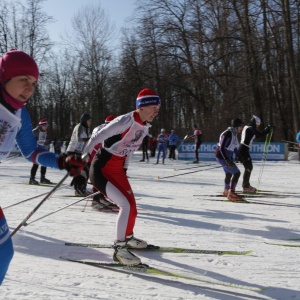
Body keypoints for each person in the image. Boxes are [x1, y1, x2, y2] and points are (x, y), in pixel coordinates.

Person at [0, 49, 84, 285]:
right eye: (23, 80)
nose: (30, 88)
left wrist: (62, 161)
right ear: (4, 77)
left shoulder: (20, 113)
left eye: (34, 82)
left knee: (4, 254)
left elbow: (30, 151)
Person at [82, 88, 161, 265]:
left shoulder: (144, 125)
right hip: (102, 169)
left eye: (158, 109)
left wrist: (124, 169)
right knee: (124, 205)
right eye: (154, 108)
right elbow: (98, 135)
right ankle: (119, 249)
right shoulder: (126, 120)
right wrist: (83, 156)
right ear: (142, 106)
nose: (156, 112)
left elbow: (129, 151)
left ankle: (128, 237)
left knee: (132, 205)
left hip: (117, 169)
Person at [237, 115, 274, 193]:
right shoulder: (250, 128)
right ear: (254, 123)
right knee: (249, 167)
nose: (257, 126)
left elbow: (257, 135)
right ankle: (246, 186)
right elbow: (259, 135)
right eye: (257, 124)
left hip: (244, 150)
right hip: (243, 150)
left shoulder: (249, 128)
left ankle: (246, 185)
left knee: (249, 167)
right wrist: (267, 130)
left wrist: (267, 130)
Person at [89, 115, 118, 209]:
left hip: (105, 156)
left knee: (105, 177)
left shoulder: (116, 130)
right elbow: (95, 142)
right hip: (94, 155)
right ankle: (95, 200)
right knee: (98, 176)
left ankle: (101, 197)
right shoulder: (99, 129)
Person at [215, 118, 244, 201]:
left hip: (225, 157)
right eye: (240, 126)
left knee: (229, 174)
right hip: (222, 157)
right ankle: (231, 193)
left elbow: (234, 147)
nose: (241, 128)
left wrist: (239, 156)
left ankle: (226, 190)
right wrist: (227, 160)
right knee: (237, 173)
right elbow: (222, 148)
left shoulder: (234, 134)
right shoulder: (228, 133)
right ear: (236, 126)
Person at [67, 113, 92, 196]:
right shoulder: (80, 127)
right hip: (72, 151)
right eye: (88, 120)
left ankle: (82, 188)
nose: (90, 122)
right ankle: (78, 189)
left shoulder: (87, 128)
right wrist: (89, 139)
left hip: (79, 152)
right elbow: (79, 139)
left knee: (86, 169)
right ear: (84, 120)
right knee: (81, 170)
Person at [29, 118, 53, 184]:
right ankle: (32, 179)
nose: (46, 127)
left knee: (44, 163)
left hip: (43, 150)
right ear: (42, 125)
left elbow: (45, 139)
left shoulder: (45, 131)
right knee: (36, 164)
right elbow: (31, 140)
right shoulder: (35, 131)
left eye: (47, 126)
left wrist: (48, 141)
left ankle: (42, 178)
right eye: (45, 126)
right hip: (37, 150)